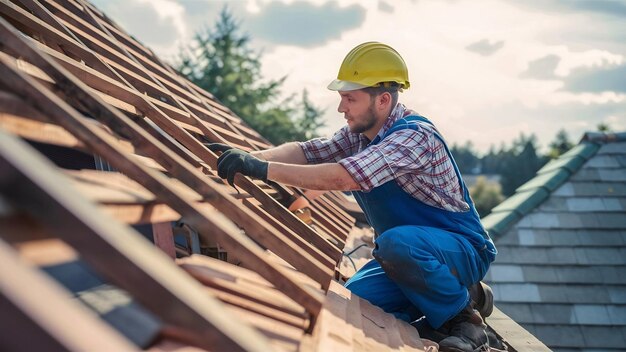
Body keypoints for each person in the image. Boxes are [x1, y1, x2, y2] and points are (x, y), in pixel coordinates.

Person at [208, 42, 497, 352]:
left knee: (398, 243)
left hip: (461, 248)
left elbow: (342, 176)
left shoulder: (414, 137)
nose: (341, 108)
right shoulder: (360, 135)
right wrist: (246, 157)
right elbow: (308, 152)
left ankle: (466, 321)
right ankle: (463, 295)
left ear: (383, 99)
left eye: (350, 99)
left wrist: (262, 169)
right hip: (407, 252)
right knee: (357, 303)